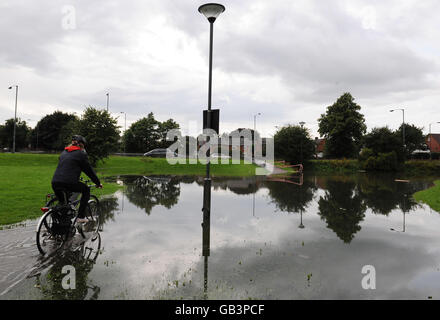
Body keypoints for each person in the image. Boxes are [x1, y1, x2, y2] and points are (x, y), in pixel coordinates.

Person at [51, 135, 102, 223]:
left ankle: (62, 225)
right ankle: (80, 217)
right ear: (81, 145)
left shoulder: (64, 152)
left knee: (64, 205)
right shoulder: (81, 154)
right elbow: (89, 171)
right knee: (86, 190)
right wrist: (97, 183)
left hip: (55, 182)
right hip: (69, 182)